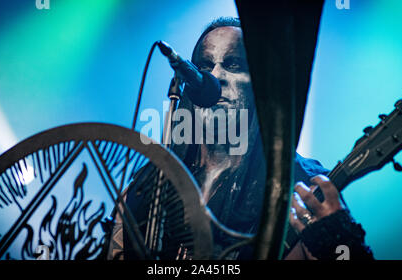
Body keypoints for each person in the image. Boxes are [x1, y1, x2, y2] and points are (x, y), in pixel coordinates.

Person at [108, 17, 374, 260]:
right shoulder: (147, 185)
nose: (216, 77)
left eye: (233, 65)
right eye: (204, 66)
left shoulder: (303, 186)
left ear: (261, 84)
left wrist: (340, 239)